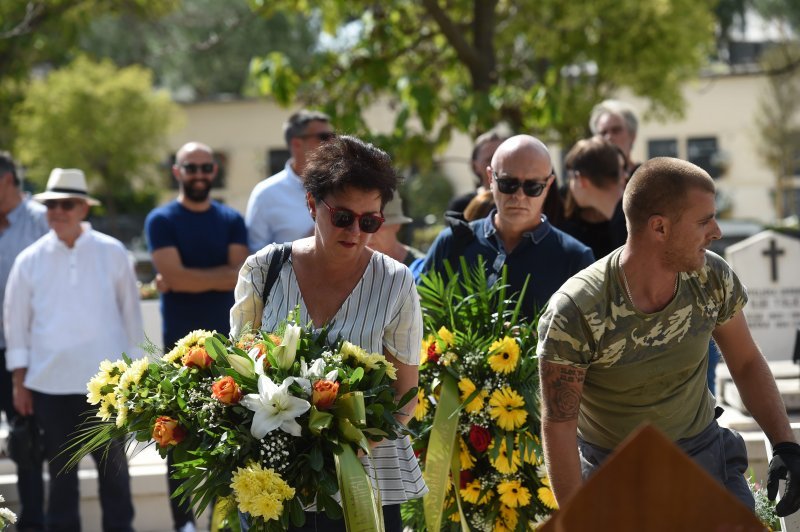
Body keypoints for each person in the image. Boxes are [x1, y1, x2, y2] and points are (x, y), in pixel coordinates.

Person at [537, 157, 800, 517]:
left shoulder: (711, 278)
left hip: (704, 455)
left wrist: (785, 444)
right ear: (659, 228)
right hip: (614, 472)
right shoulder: (577, 308)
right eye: (704, 221)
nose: (717, 232)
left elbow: (746, 361)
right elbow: (559, 424)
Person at [231, 135, 426, 532]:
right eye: (342, 217)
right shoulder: (263, 269)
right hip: (273, 481)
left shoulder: (397, 282)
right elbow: (236, 377)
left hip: (365, 482)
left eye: (370, 221)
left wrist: (343, 449)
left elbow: (405, 395)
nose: (355, 230)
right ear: (310, 204)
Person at [4, 168, 140, 532]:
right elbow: (15, 325)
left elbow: (132, 321)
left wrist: (138, 381)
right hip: (51, 388)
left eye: (66, 204)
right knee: (60, 483)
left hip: (109, 392)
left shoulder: (113, 253)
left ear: (83, 208)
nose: (57, 212)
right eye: (51, 205)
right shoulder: (29, 260)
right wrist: (20, 383)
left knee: (115, 479)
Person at [144, 141, 248, 532]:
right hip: (179, 350)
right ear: (177, 172)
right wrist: (206, 277)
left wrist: (189, 279)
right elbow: (172, 276)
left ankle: (224, 523)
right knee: (176, 434)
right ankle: (184, 525)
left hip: (229, 346)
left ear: (214, 171)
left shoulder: (232, 219)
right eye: (191, 167)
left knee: (231, 435)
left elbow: (238, 274)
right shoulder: (161, 219)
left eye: (206, 167)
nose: (200, 174)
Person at [418, 135, 595, 320]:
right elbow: (419, 320)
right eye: (508, 183)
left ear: (548, 185)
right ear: (490, 179)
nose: (519, 196)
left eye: (532, 186)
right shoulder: (451, 243)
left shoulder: (575, 258)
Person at [0, 152, 47, 532]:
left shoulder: (40, 222)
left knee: (26, 441)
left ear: (5, 181)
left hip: (25, 354)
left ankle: (33, 523)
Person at [245, 109, 335, 252]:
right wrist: (309, 243)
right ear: (297, 143)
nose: (331, 143)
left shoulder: (343, 186)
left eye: (333, 136)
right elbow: (255, 258)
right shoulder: (265, 194)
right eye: (323, 137)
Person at [559, 137, 627, 259]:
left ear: (581, 180)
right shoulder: (630, 216)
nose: (569, 185)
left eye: (570, 177)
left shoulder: (627, 225)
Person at [446, 129, 507, 214]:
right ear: (475, 166)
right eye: (490, 159)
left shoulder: (521, 199)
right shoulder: (461, 206)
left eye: (502, 158)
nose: (497, 164)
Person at [366, 195, 423, 266]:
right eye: (364, 224)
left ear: (397, 225)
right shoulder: (354, 267)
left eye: (377, 225)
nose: (368, 234)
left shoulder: (423, 268)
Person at [589, 99, 641, 177]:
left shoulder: (647, 178)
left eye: (616, 130)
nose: (609, 137)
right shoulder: (589, 181)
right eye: (603, 133)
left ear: (632, 136)